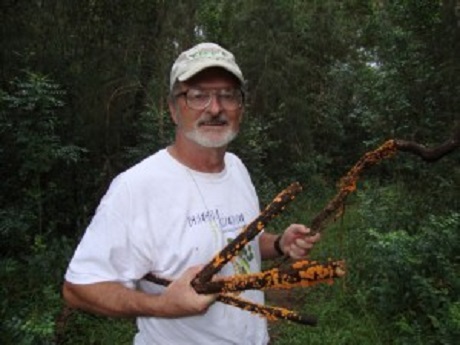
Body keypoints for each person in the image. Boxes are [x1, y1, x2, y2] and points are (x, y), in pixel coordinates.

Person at [63, 42, 321, 345]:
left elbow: (237, 241)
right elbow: (78, 288)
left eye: (228, 95)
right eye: (198, 95)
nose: (215, 108)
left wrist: (279, 243)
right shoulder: (136, 188)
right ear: (173, 109)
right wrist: (162, 306)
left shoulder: (236, 168)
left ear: (241, 107)